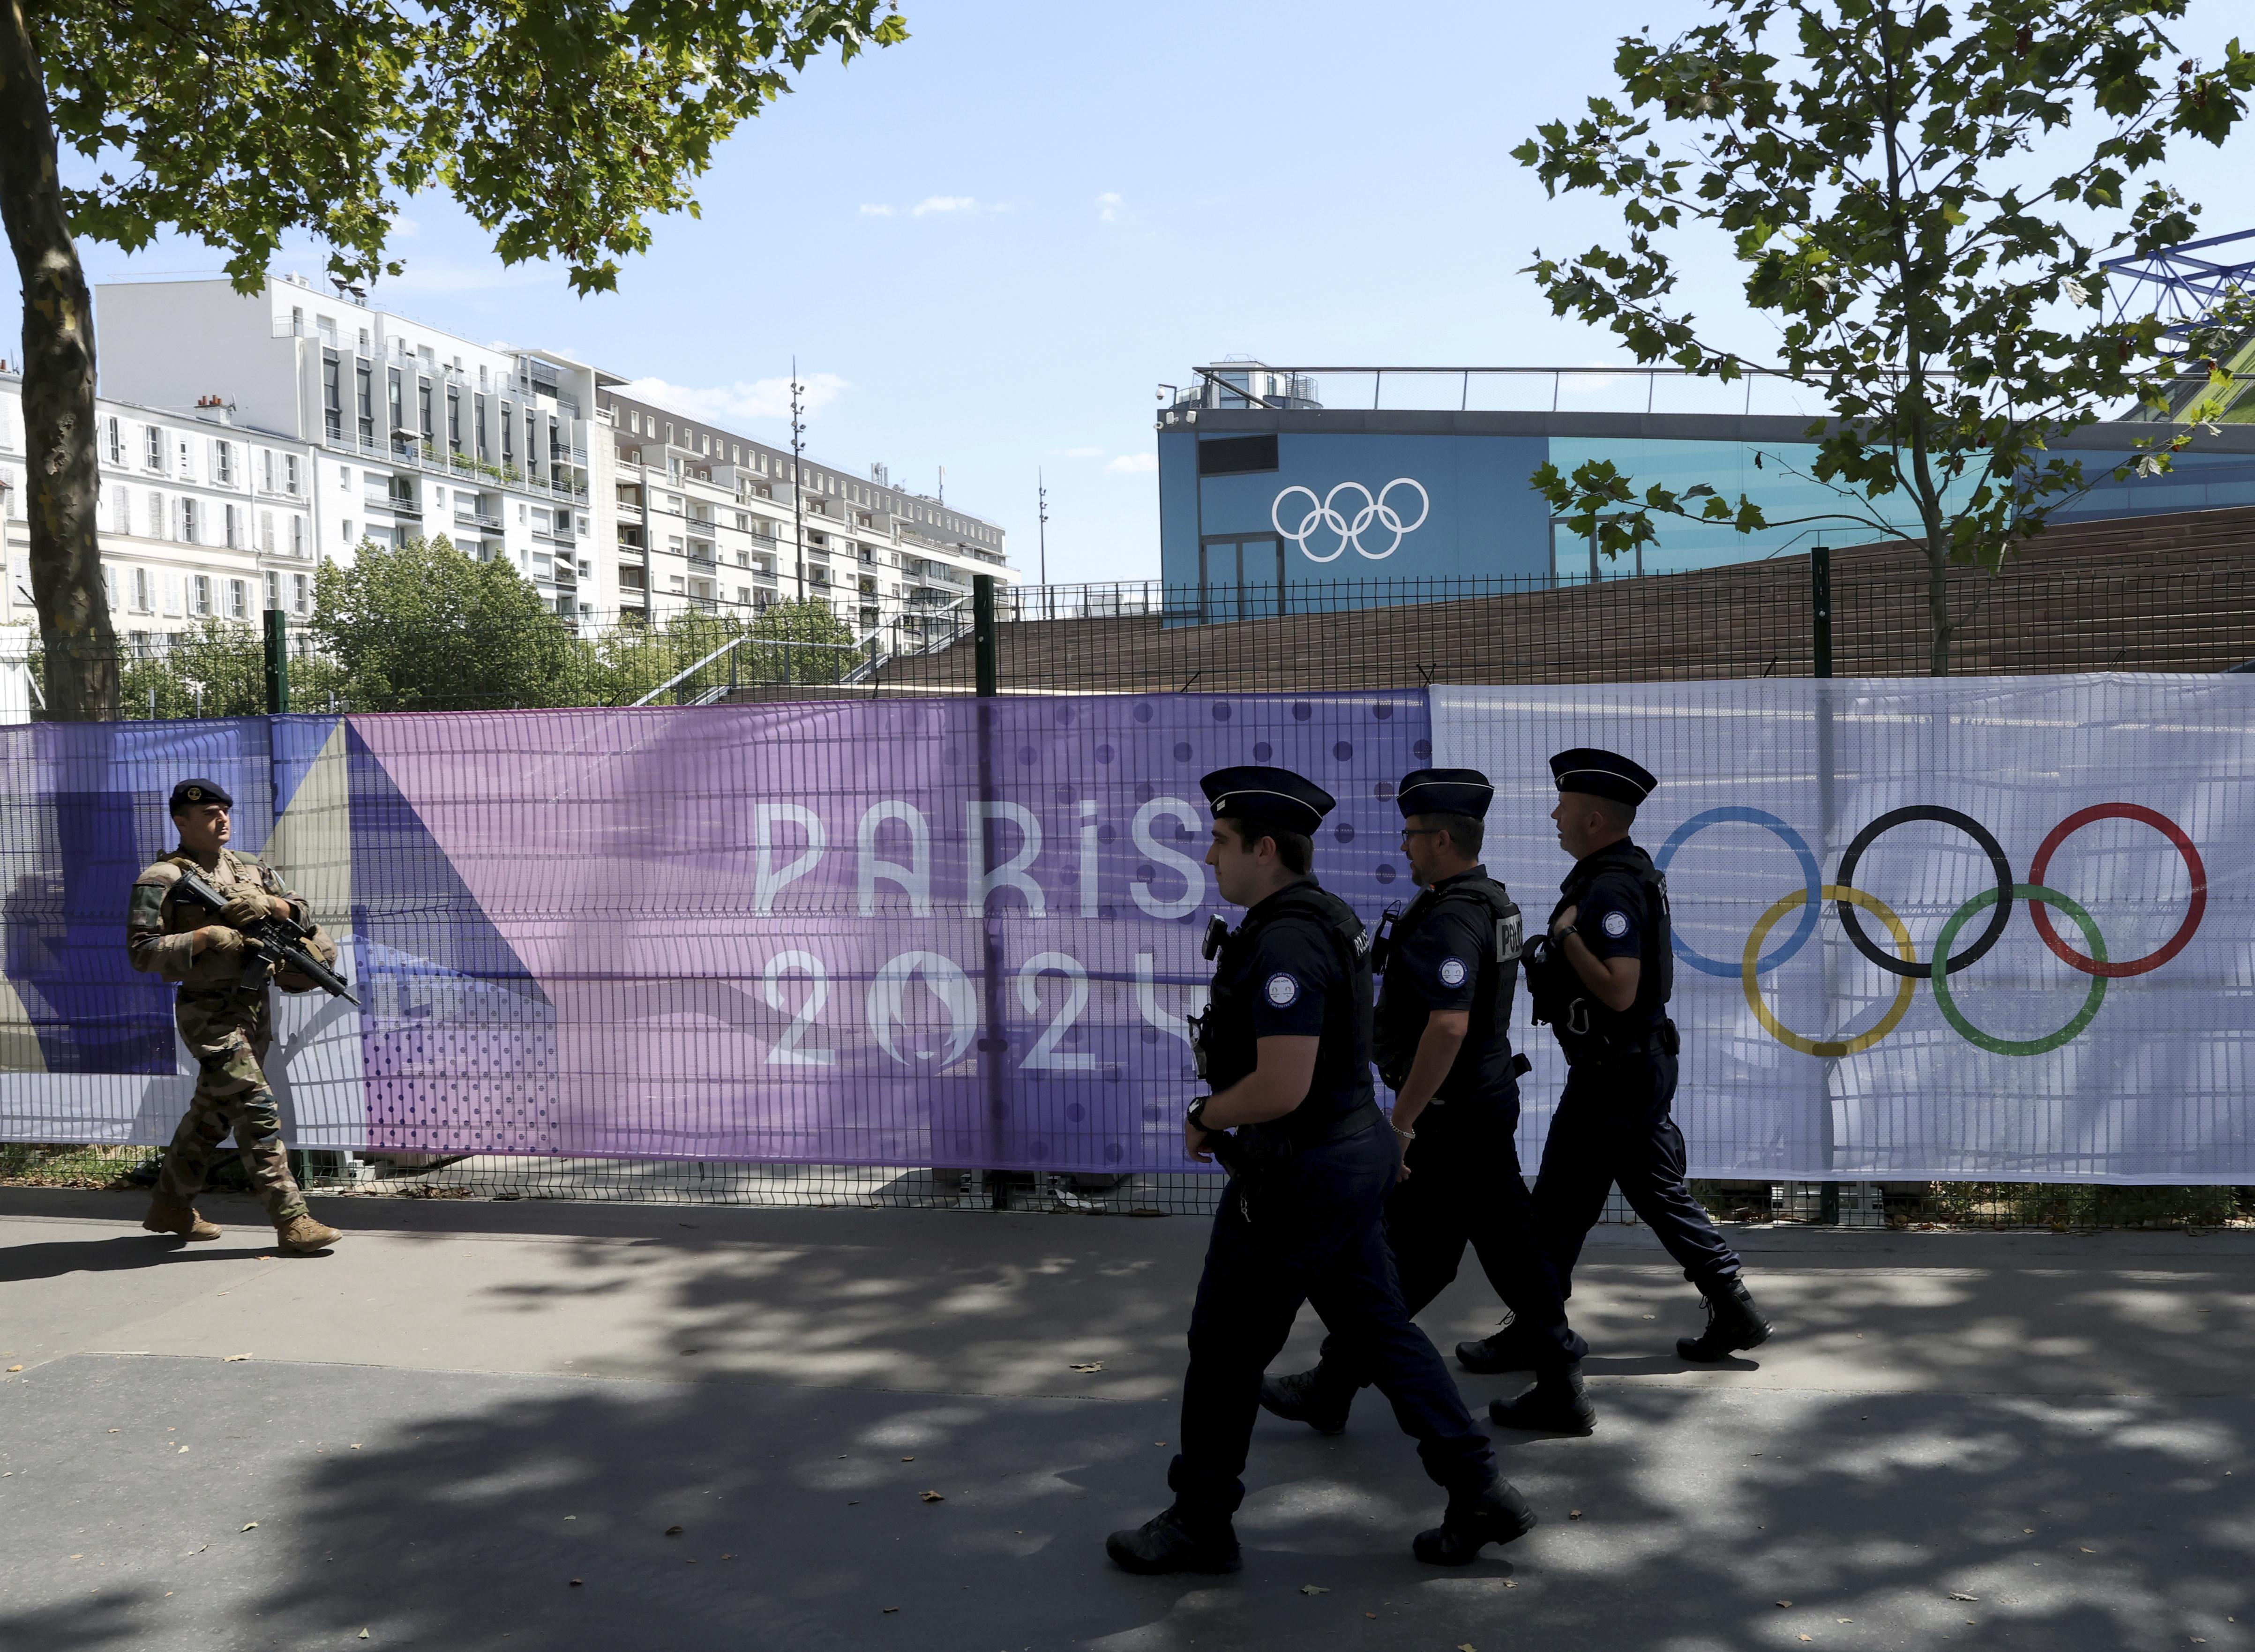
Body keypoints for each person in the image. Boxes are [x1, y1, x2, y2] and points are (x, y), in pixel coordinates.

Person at [1106, 765, 1537, 1577]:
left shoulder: (1287, 940)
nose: (1208, 857)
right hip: (1345, 1159)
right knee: (1379, 1327)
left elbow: (1282, 1084)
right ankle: (1479, 1487)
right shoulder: (1323, 918)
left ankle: (1201, 1519)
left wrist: (1206, 1116)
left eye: (1222, 843)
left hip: (1298, 1175)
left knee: (1225, 1346)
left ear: (1265, 848)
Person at [1258, 768, 1595, 1438]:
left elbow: (1447, 1026)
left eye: (1411, 836)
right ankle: (1557, 1381)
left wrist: (1403, 1121)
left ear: (1441, 839)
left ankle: (1335, 1380)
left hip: (1450, 1116)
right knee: (1494, 1249)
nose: (1403, 847)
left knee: (1405, 1257)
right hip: (1479, 1104)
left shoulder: (1453, 915)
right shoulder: (1488, 901)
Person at [1511, 748, 1768, 1363]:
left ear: (1594, 821)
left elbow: (1619, 988)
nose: (1554, 815)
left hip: (1614, 1072)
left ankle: (1536, 1331)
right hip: (1628, 1068)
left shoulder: (1608, 889)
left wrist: (1565, 938)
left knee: (1557, 1209)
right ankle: (1732, 1305)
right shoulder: (1620, 876)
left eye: (1564, 807)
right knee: (1646, 1194)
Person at [128, 778, 345, 1255]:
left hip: (256, 1007)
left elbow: (303, 913)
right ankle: (293, 1220)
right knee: (255, 1107)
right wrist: (205, 937)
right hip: (207, 1012)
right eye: (208, 813)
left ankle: (170, 1206)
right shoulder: (160, 879)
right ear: (182, 822)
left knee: (212, 1116)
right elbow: (142, 954)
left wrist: (274, 903)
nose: (221, 819)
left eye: (224, 810)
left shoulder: (250, 868)